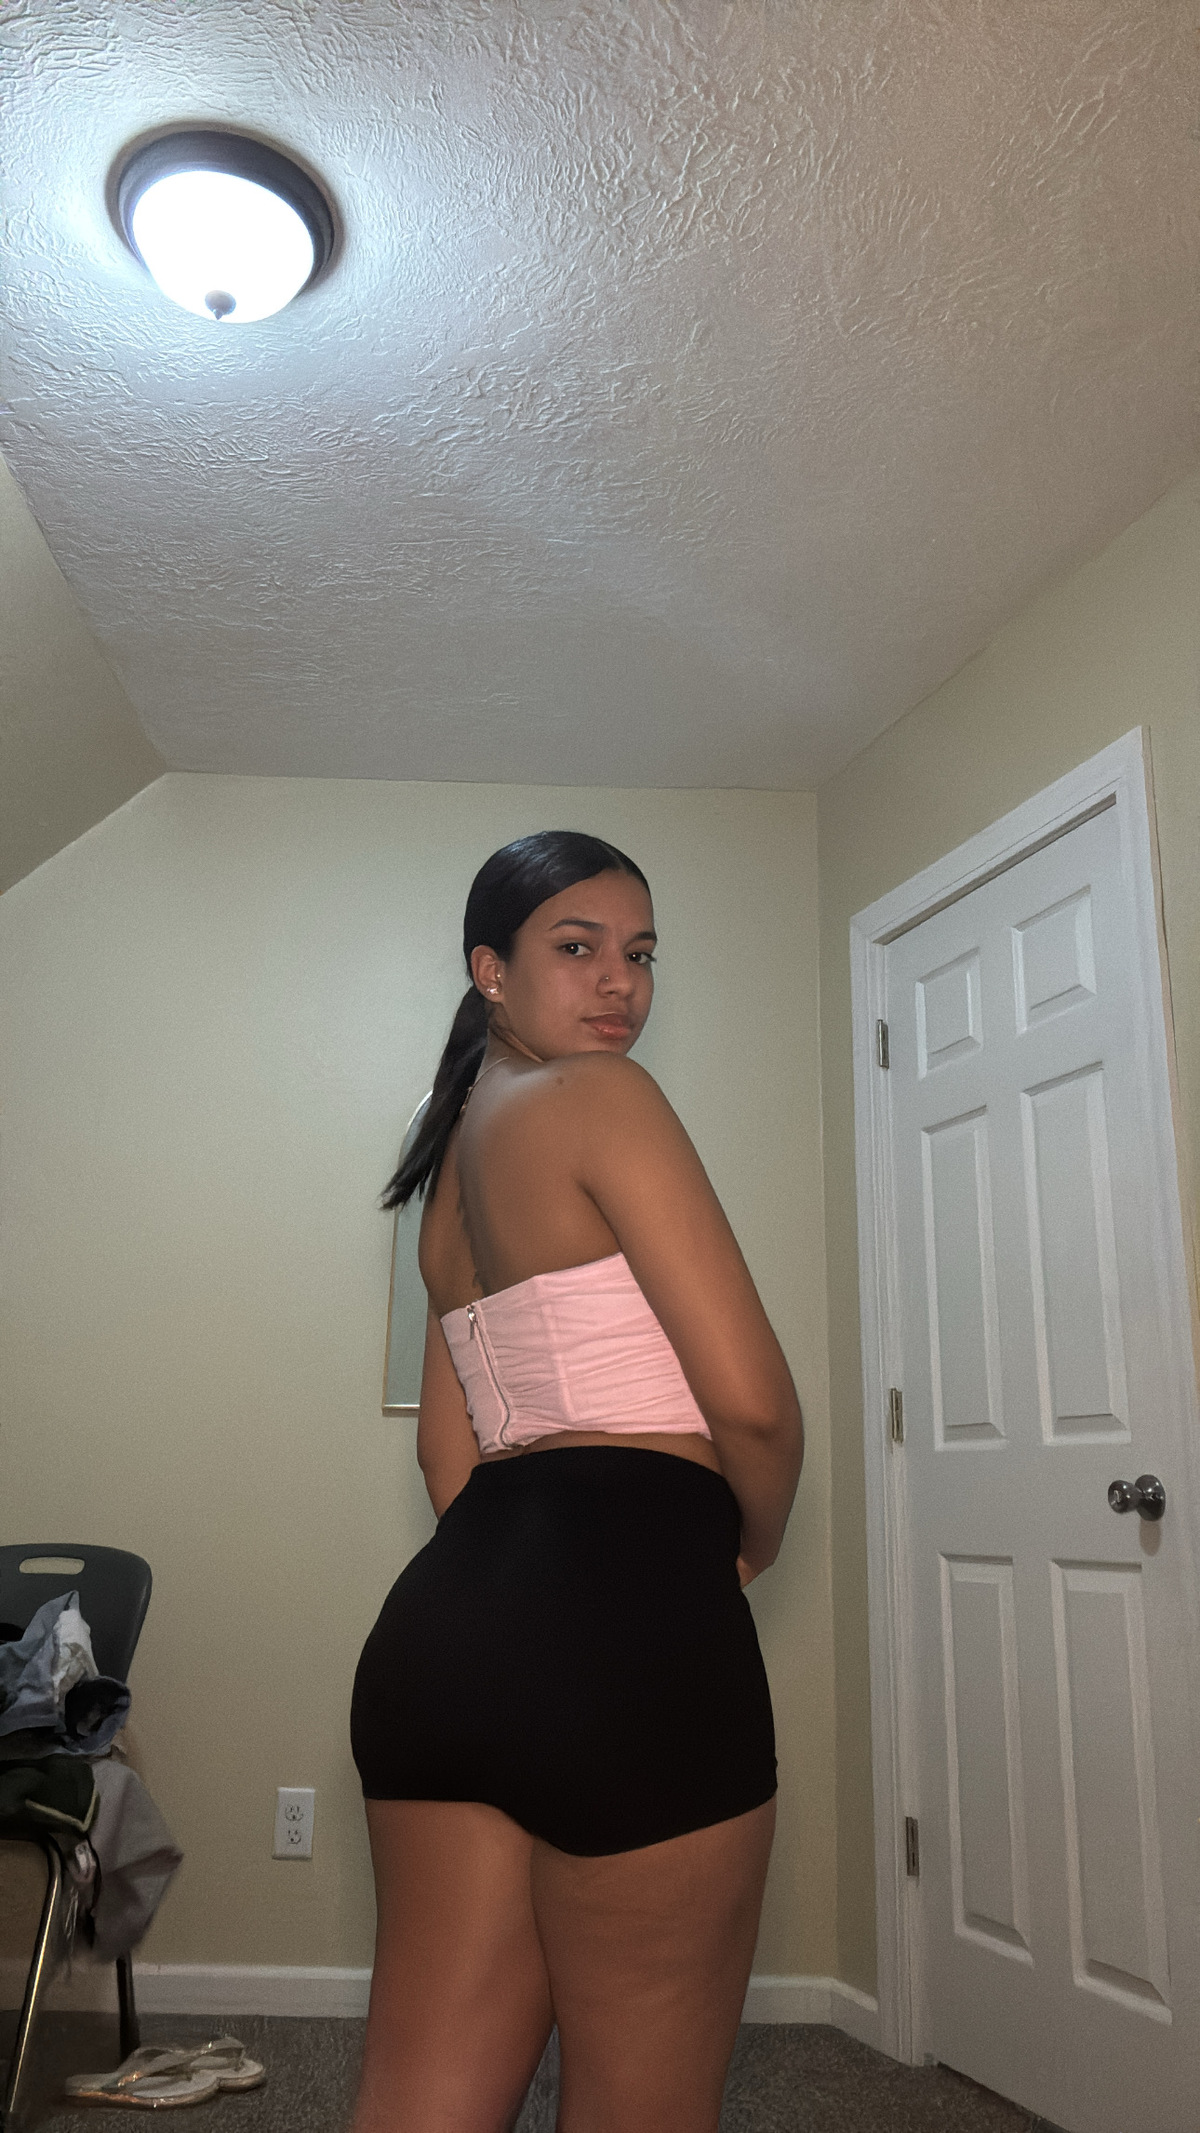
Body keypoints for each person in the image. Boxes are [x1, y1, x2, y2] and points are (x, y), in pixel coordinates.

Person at [350, 830, 803, 2133]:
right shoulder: (606, 1097)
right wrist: (750, 1541)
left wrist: (524, 1598)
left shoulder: (448, 1172)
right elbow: (756, 1404)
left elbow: (448, 1460)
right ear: (489, 968)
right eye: (578, 946)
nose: (621, 983)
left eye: (642, 954)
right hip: (633, 1627)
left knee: (418, 2104)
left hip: (441, 1639)